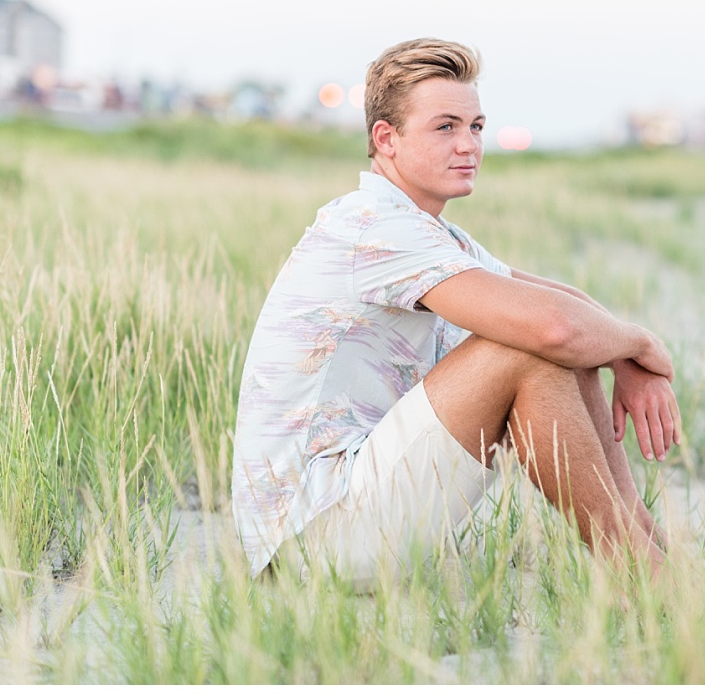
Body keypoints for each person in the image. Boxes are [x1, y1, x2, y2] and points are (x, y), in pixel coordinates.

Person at [231, 38, 680, 590]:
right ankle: (646, 575)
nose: (468, 145)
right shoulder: (375, 226)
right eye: (445, 127)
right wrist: (643, 346)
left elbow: (561, 304)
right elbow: (554, 327)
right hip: (313, 541)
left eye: (476, 127)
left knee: (553, 341)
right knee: (529, 348)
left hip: (354, 519)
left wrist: (625, 352)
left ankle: (646, 550)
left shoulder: (429, 232)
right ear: (386, 139)